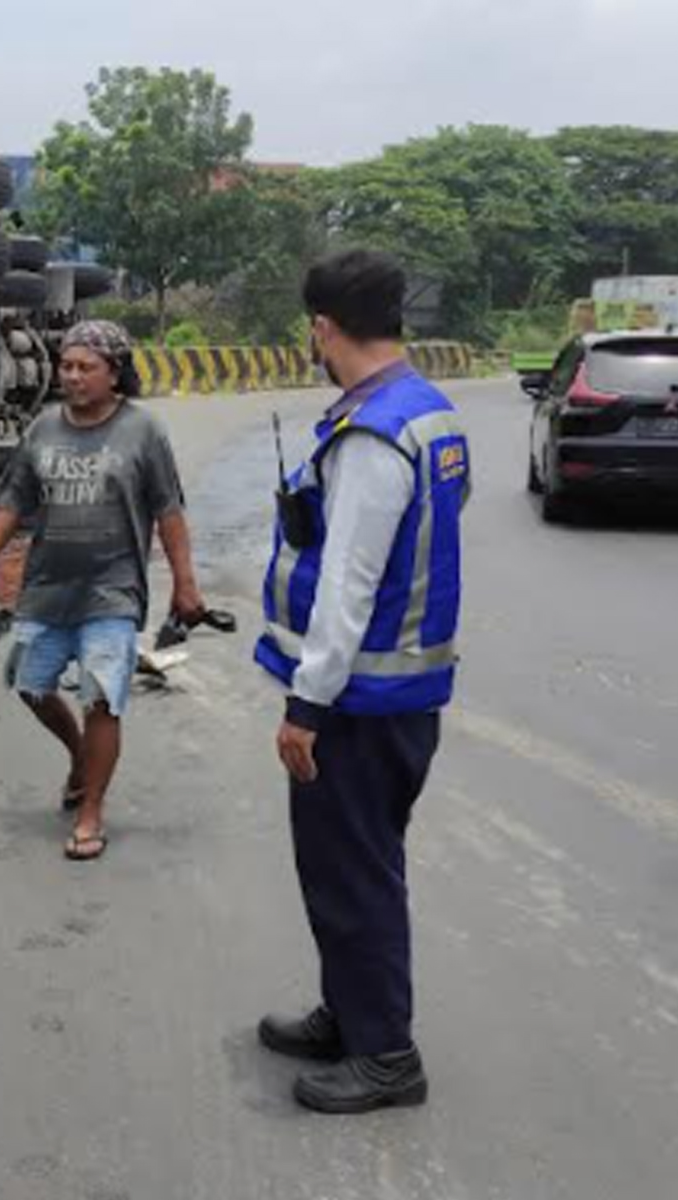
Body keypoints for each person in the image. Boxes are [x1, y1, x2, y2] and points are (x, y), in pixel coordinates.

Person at [252, 249, 471, 1114]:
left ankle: (384, 1055)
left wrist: (306, 704)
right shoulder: (429, 414)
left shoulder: (374, 435)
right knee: (350, 867)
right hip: (400, 695)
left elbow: (349, 583)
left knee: (353, 877)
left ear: (322, 325)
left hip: (358, 703)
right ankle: (348, 1013)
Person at [0, 320, 205, 862]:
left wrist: (186, 583)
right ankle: (77, 754)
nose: (72, 376)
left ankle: (91, 808)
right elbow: (13, 502)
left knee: (101, 697)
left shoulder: (144, 431)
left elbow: (168, 511)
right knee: (30, 684)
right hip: (48, 587)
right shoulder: (42, 429)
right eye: (67, 366)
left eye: (85, 367)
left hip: (112, 590)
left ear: (114, 373)